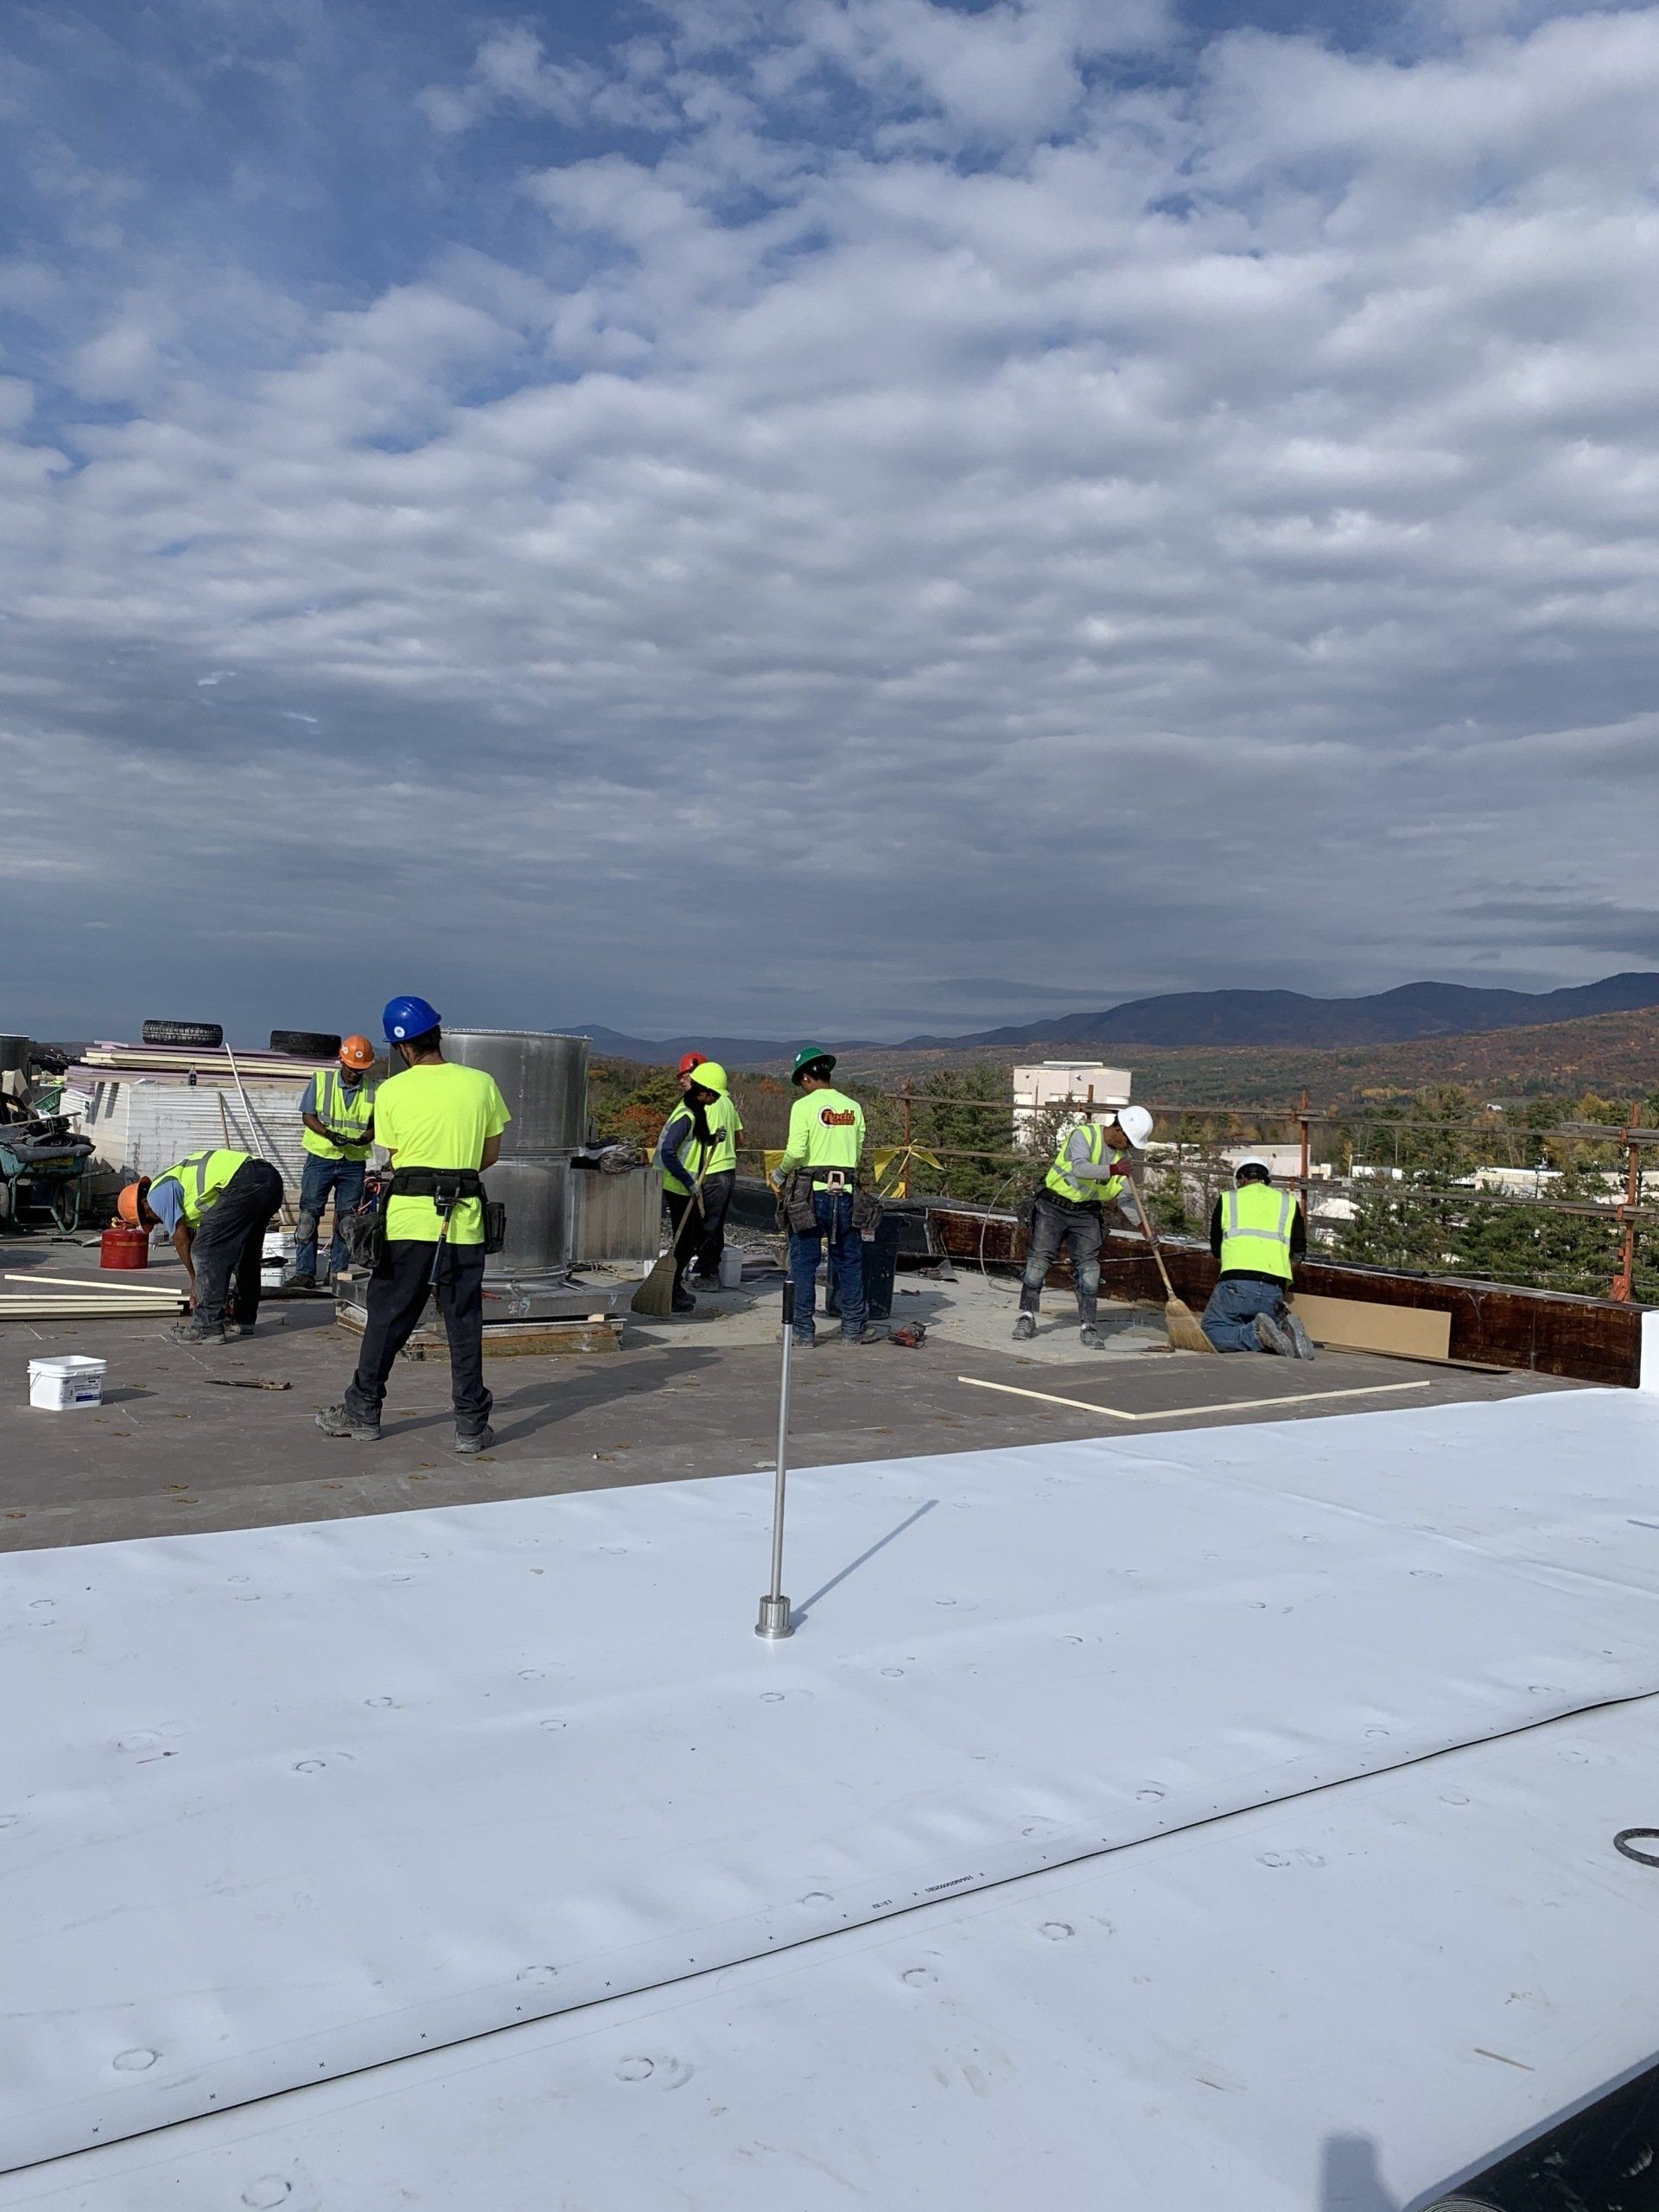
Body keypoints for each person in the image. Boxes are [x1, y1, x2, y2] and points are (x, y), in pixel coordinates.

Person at [315, 996, 511, 1452]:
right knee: (463, 1319)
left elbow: (397, 1157)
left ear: (402, 1048)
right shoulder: (481, 1083)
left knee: (389, 1314)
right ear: (438, 1034)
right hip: (463, 1222)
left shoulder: (391, 1092)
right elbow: (491, 1154)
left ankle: (363, 1409)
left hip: (407, 1221)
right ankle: (469, 1425)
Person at [1015, 1104, 1154, 1349]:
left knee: (1090, 1271)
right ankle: (1026, 1316)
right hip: (1053, 1206)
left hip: (1086, 1213)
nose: (1129, 1148)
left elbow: (1125, 1196)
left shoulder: (1123, 1160)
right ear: (1119, 1130)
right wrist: (1112, 1169)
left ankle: (1088, 1326)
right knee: (1038, 1263)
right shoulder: (1084, 1135)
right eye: (1129, 1142)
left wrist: (1141, 1224)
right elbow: (1080, 1168)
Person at [769, 1046, 879, 1349]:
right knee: (849, 1260)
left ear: (806, 1078)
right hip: (846, 1194)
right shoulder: (853, 1107)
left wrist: (779, 1174)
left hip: (809, 1195)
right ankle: (853, 1329)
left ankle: (803, 1332)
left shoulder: (804, 1107)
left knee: (804, 1261)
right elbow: (855, 1154)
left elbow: (796, 1152)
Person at [119, 1147, 285, 1345]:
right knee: (245, 1253)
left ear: (144, 1204)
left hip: (246, 1180)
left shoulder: (156, 1195)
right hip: (269, 1180)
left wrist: (194, 1282)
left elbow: (181, 1239)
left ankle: (207, 1326)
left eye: (151, 1220)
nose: (157, 1222)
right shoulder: (180, 1187)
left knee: (205, 1250)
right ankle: (244, 1318)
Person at [287, 1034, 379, 1288]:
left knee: (347, 1219)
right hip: (321, 1157)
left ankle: (337, 1272)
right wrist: (328, 1134)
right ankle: (304, 1272)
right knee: (309, 1216)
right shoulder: (322, 1082)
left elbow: (376, 1125)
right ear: (342, 1061)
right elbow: (308, 1116)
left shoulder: (374, 1090)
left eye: (360, 1070)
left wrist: (366, 1137)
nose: (354, 1074)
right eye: (351, 1068)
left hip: (353, 1160)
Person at [1201, 1156, 1313, 1357]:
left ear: (1242, 1179)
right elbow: (1298, 1251)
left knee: (1212, 1331)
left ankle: (1257, 1335)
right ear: (1266, 1179)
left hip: (1237, 1282)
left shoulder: (1228, 1199)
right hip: (1274, 1288)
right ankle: (1284, 1332)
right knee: (1268, 1322)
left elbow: (1216, 1247)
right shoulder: (1288, 1203)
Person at [655, 1061, 744, 1312]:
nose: (715, 1099)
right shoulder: (686, 1115)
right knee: (685, 1240)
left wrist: (714, 1139)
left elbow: (698, 1137)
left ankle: (674, 1288)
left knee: (691, 1237)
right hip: (677, 1184)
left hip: (685, 1183)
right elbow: (668, 1151)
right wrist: (689, 1181)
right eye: (712, 1095)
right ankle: (671, 1289)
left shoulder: (696, 1109)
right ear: (701, 1090)